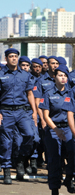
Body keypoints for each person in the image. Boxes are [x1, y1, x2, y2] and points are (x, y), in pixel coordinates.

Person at [0, 48, 37, 184]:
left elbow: (30, 94)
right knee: (6, 142)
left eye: (16, 56)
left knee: (29, 135)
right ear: (6, 58)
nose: (13, 58)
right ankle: (6, 170)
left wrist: (34, 111)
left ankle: (20, 158)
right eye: (11, 56)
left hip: (22, 112)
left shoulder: (25, 75)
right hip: (6, 111)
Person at [40, 65, 74, 195]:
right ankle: (55, 188)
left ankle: (69, 178)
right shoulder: (48, 93)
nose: (63, 78)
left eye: (65, 75)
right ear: (54, 77)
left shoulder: (71, 92)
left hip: (68, 128)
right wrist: (55, 129)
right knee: (55, 159)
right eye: (60, 75)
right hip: (54, 130)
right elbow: (45, 115)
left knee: (72, 153)